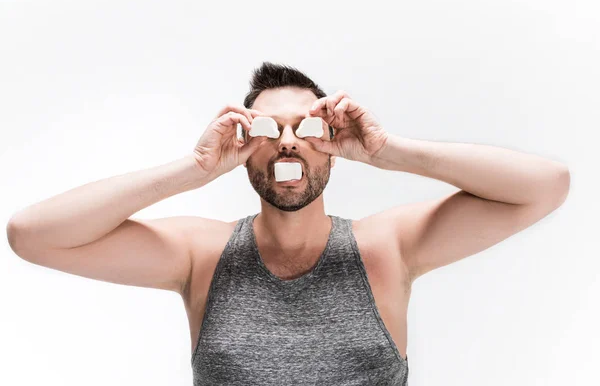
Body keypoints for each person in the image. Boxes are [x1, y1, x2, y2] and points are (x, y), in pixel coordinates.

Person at [6, 62, 570, 385]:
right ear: (243, 149)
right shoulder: (200, 255)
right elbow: (32, 234)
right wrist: (193, 169)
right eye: (268, 130)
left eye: (306, 127)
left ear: (332, 147)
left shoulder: (388, 247)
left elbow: (544, 187)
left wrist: (387, 150)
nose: (287, 141)